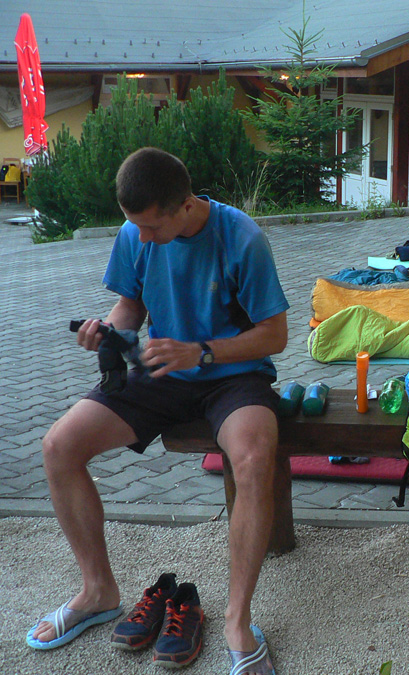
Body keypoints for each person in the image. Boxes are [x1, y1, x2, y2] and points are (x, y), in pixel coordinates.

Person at [29, 148, 287, 675]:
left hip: (233, 374)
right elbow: (131, 306)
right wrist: (109, 332)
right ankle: (98, 592)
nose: (141, 238)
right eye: (135, 227)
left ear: (186, 205)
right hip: (163, 367)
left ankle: (237, 621)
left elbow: (275, 335)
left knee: (254, 458)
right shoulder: (136, 233)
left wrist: (203, 352)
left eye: (151, 227)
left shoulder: (242, 238)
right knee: (59, 445)